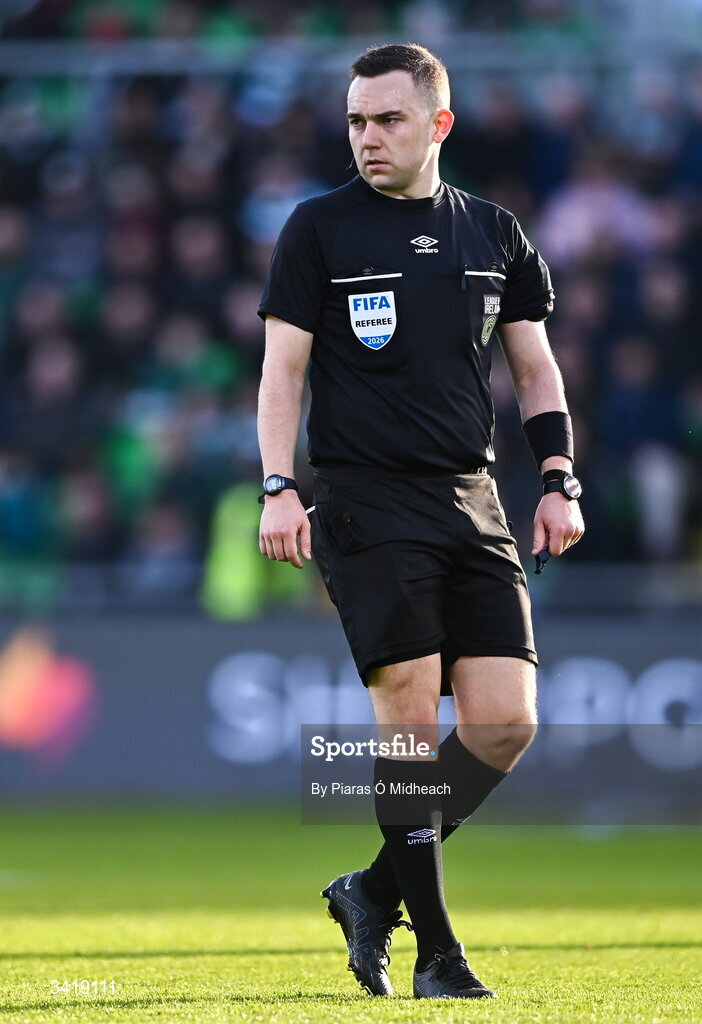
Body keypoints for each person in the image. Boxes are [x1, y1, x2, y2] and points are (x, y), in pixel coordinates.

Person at [257, 43, 584, 1000]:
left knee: (504, 726)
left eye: (388, 119)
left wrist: (559, 477)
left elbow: (535, 368)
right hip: (364, 497)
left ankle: (372, 887)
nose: (367, 136)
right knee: (404, 710)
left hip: (471, 496)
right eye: (356, 120)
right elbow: (282, 374)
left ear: (438, 125)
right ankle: (440, 953)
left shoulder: (495, 233)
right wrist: (279, 485)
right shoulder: (317, 229)